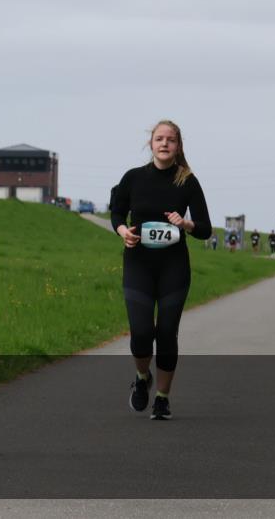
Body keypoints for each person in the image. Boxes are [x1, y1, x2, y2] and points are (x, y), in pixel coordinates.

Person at [110, 120, 212, 420]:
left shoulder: (187, 181)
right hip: (138, 264)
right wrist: (121, 231)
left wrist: (186, 223)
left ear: (178, 146)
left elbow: (205, 229)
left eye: (170, 139)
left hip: (174, 267)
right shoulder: (133, 178)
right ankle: (142, 378)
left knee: (166, 333)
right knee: (141, 333)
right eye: (159, 139)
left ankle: (163, 398)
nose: (164, 143)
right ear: (150, 144)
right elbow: (116, 210)